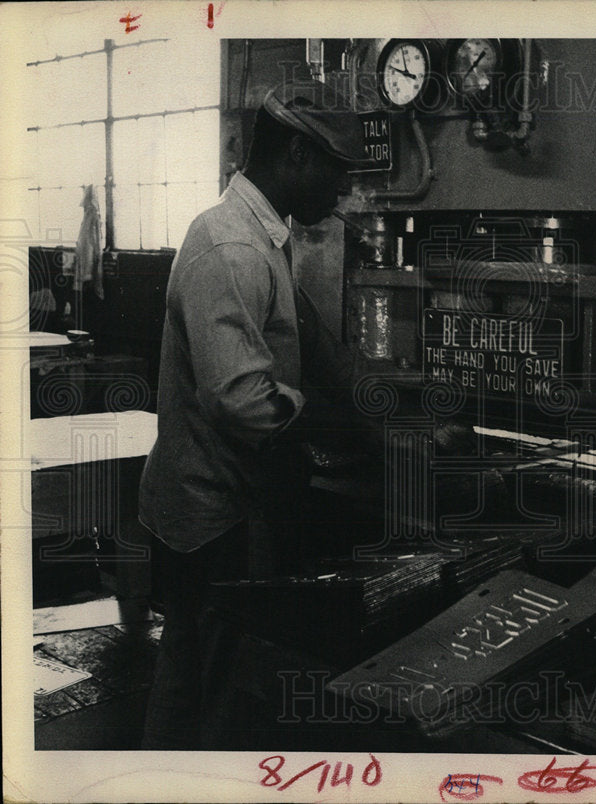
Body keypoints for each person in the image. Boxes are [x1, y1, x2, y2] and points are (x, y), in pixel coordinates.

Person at [137, 79, 370, 749]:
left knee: (192, 675)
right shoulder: (232, 247)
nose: (343, 191)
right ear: (297, 155)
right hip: (212, 518)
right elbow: (244, 402)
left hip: (215, 505)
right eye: (337, 171)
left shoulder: (259, 237)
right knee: (211, 686)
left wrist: (379, 390)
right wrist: (359, 430)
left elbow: (310, 338)